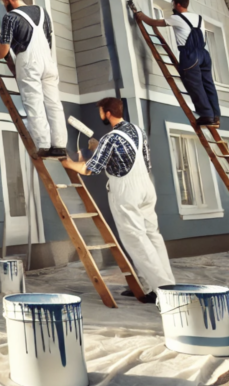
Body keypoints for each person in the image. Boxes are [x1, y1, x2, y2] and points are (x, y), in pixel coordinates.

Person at [60, 98, 175, 303]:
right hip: (146, 187)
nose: (100, 116)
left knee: (136, 240)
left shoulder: (110, 138)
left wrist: (67, 163)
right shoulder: (137, 131)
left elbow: (88, 169)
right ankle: (154, 285)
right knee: (152, 236)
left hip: (126, 189)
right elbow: (133, 159)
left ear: (107, 113)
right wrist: (98, 149)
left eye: (101, 112)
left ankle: (164, 291)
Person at [0, 0, 66, 158]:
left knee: (33, 102)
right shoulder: (42, 12)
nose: (4, 4)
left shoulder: (10, 17)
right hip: (48, 62)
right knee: (54, 103)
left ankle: (43, 144)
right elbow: (48, 39)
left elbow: (4, 50)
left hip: (28, 61)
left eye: (3, 1)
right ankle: (59, 145)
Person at [133, 0, 220, 126]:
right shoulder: (199, 18)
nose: (172, 7)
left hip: (190, 55)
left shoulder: (176, 18)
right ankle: (215, 115)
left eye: (173, 4)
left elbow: (153, 22)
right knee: (208, 84)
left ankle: (207, 115)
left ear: (178, 4)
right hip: (204, 54)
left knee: (195, 85)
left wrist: (140, 15)